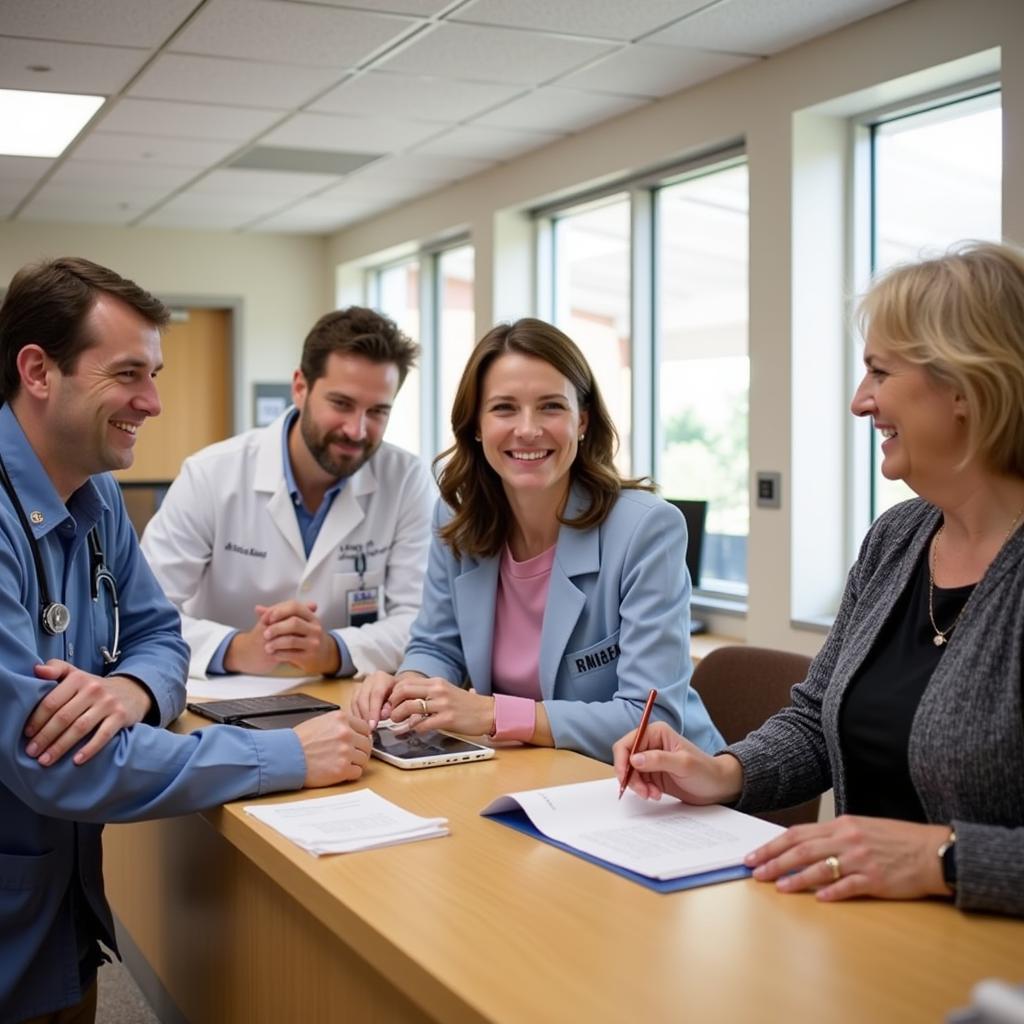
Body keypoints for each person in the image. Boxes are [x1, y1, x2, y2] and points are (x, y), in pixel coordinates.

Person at [0, 258, 372, 1023]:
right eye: (129, 373)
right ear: (38, 370)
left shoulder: (94, 492)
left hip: (60, 928)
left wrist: (133, 688)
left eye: (157, 373)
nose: (154, 402)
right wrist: (287, 756)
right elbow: (54, 762)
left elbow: (159, 633)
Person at [613, 240, 1024, 918]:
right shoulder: (898, 538)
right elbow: (817, 720)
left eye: (879, 372)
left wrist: (941, 860)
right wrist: (720, 772)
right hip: (866, 938)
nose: (862, 402)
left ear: (966, 385)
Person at [353, 318, 723, 763]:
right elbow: (437, 646)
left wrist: (493, 715)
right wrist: (407, 688)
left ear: (582, 421)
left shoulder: (646, 529)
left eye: (550, 407)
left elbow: (648, 721)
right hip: (535, 775)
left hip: (658, 789)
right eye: (504, 408)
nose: (527, 429)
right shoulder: (457, 518)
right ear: (475, 425)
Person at [140, 306, 434, 681]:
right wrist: (235, 649)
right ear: (300, 387)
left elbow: (420, 621)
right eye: (341, 404)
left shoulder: (407, 480)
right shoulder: (211, 474)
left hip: (345, 704)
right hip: (223, 700)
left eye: (377, 411)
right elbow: (145, 613)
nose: (357, 430)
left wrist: (334, 650)